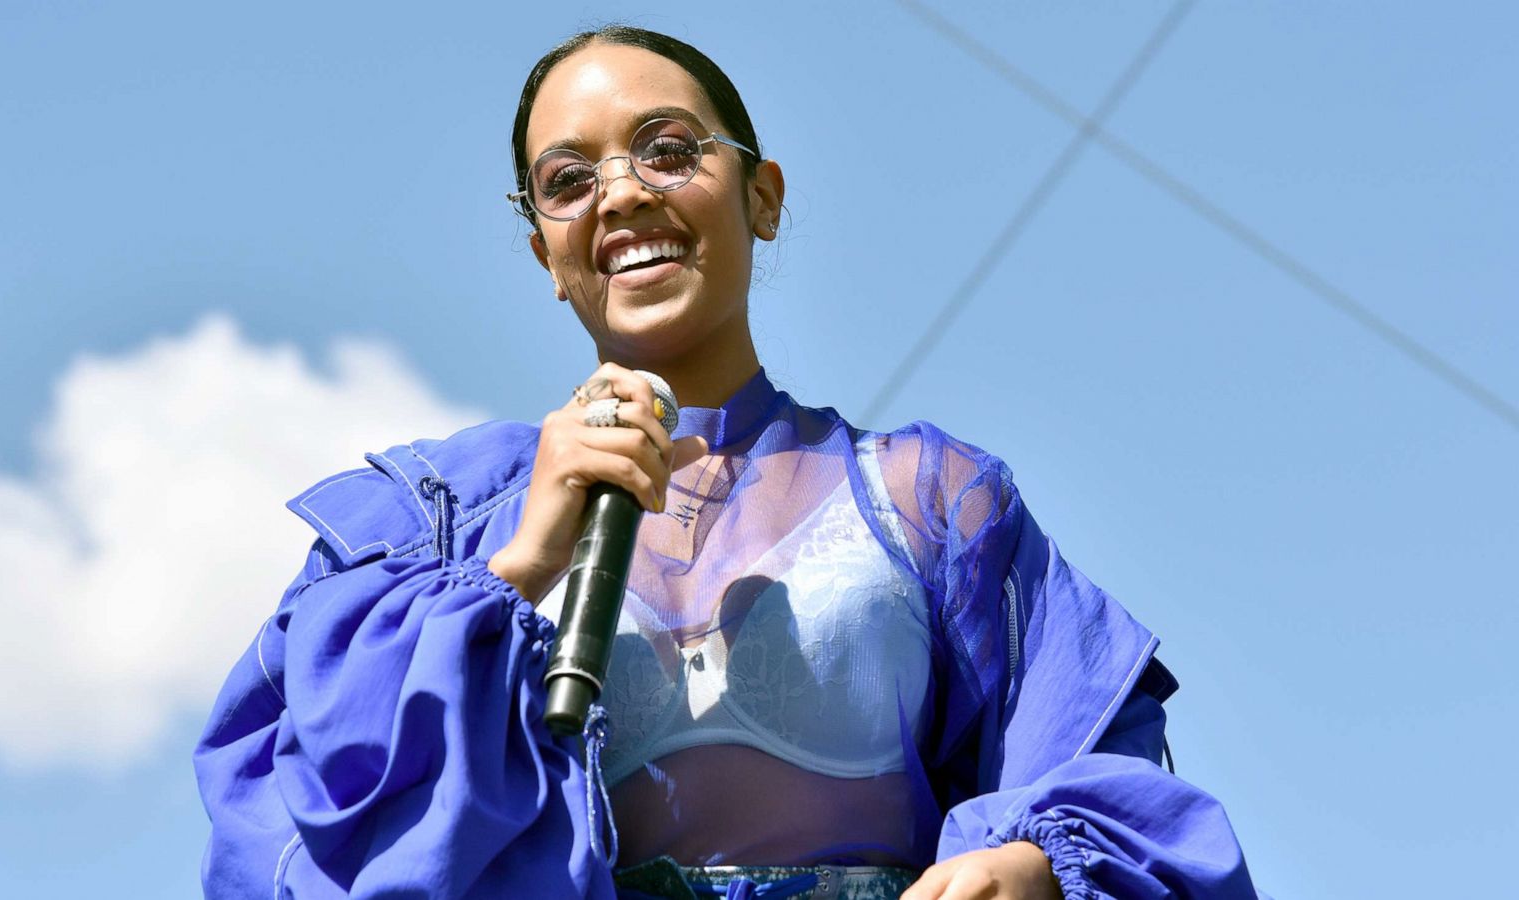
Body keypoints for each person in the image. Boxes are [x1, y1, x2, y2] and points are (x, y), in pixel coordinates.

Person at [195, 26, 1260, 900]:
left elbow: (1090, 748)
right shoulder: (433, 522)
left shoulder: (931, 496)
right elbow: (306, 805)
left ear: (762, 195)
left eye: (666, 150)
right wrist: (514, 568)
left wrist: (1033, 868)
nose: (620, 196)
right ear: (545, 254)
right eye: (567, 180)